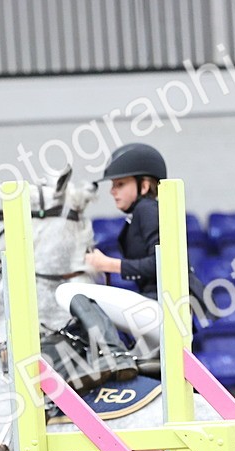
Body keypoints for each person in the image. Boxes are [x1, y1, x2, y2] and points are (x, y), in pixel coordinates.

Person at [53, 142, 190, 389]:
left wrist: (108, 264)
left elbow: (164, 263)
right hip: (164, 316)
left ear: (144, 185)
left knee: (66, 292)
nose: (112, 191)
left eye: (120, 184)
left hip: (163, 314)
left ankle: (113, 355)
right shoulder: (142, 213)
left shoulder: (148, 210)